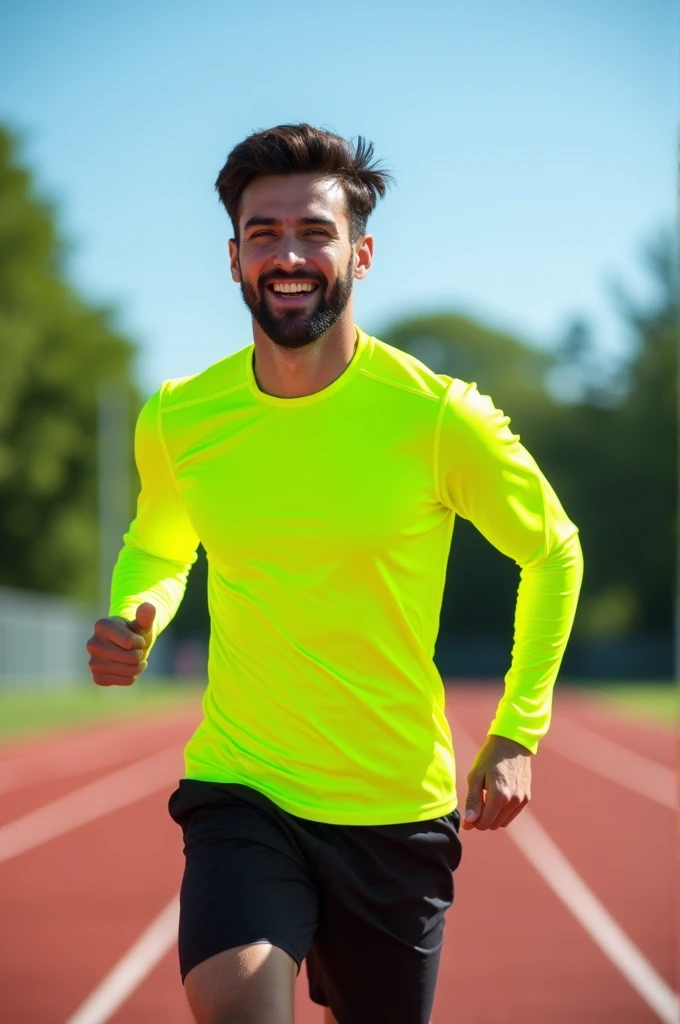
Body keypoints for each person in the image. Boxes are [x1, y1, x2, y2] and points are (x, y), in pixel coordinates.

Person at [86, 123, 583, 1024]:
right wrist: (138, 610)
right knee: (238, 1006)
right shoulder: (178, 418)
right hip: (245, 788)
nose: (288, 254)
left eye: (313, 231)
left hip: (393, 808)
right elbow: (162, 543)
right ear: (233, 257)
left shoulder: (439, 419)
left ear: (360, 252)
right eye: (264, 233)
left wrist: (518, 731)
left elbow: (552, 548)